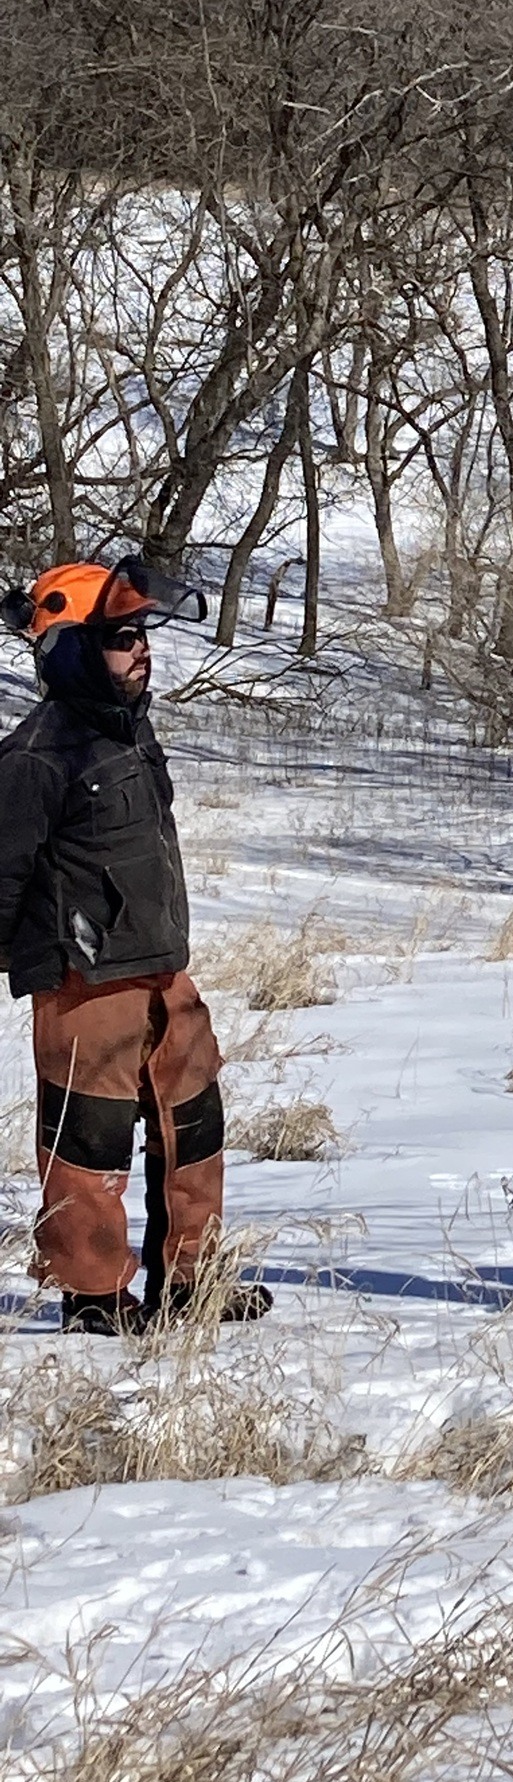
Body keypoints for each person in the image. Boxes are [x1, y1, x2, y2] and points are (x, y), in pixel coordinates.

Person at [0, 557, 270, 1334]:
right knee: (88, 1145)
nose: (141, 650)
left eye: (141, 635)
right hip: (86, 983)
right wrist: (36, 957)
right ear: (76, 651)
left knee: (197, 1124)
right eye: (122, 638)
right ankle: (93, 1298)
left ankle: (191, 1280)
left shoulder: (131, 732)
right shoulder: (35, 755)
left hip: (161, 968)